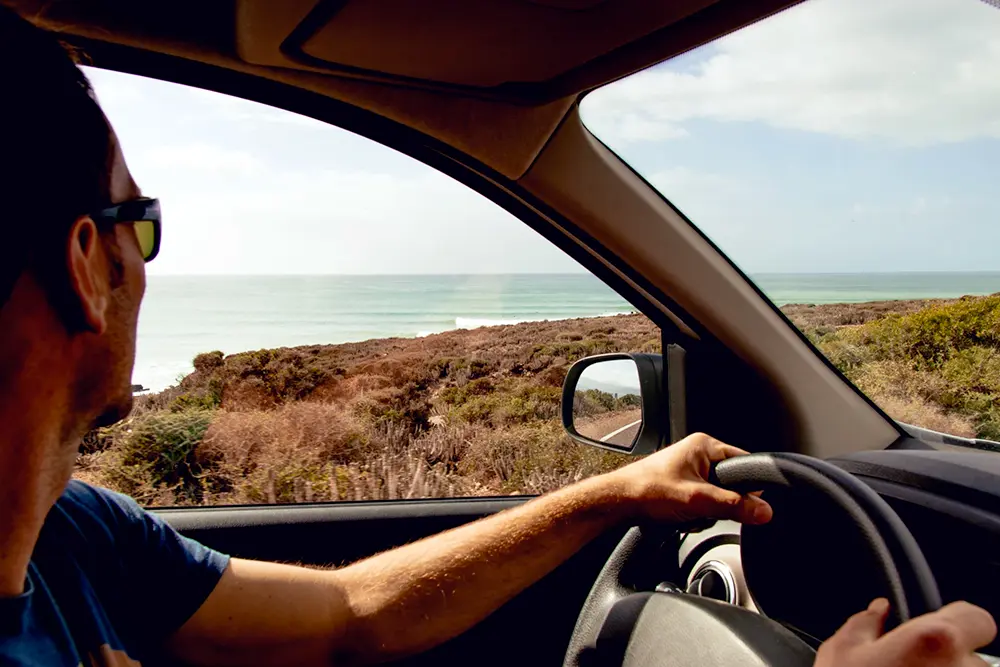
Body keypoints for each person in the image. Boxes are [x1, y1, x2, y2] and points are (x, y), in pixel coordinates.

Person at [0, 6, 994, 667]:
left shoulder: (76, 536)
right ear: (88, 262)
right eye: (145, 222)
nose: (150, 261)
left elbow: (351, 616)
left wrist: (608, 494)